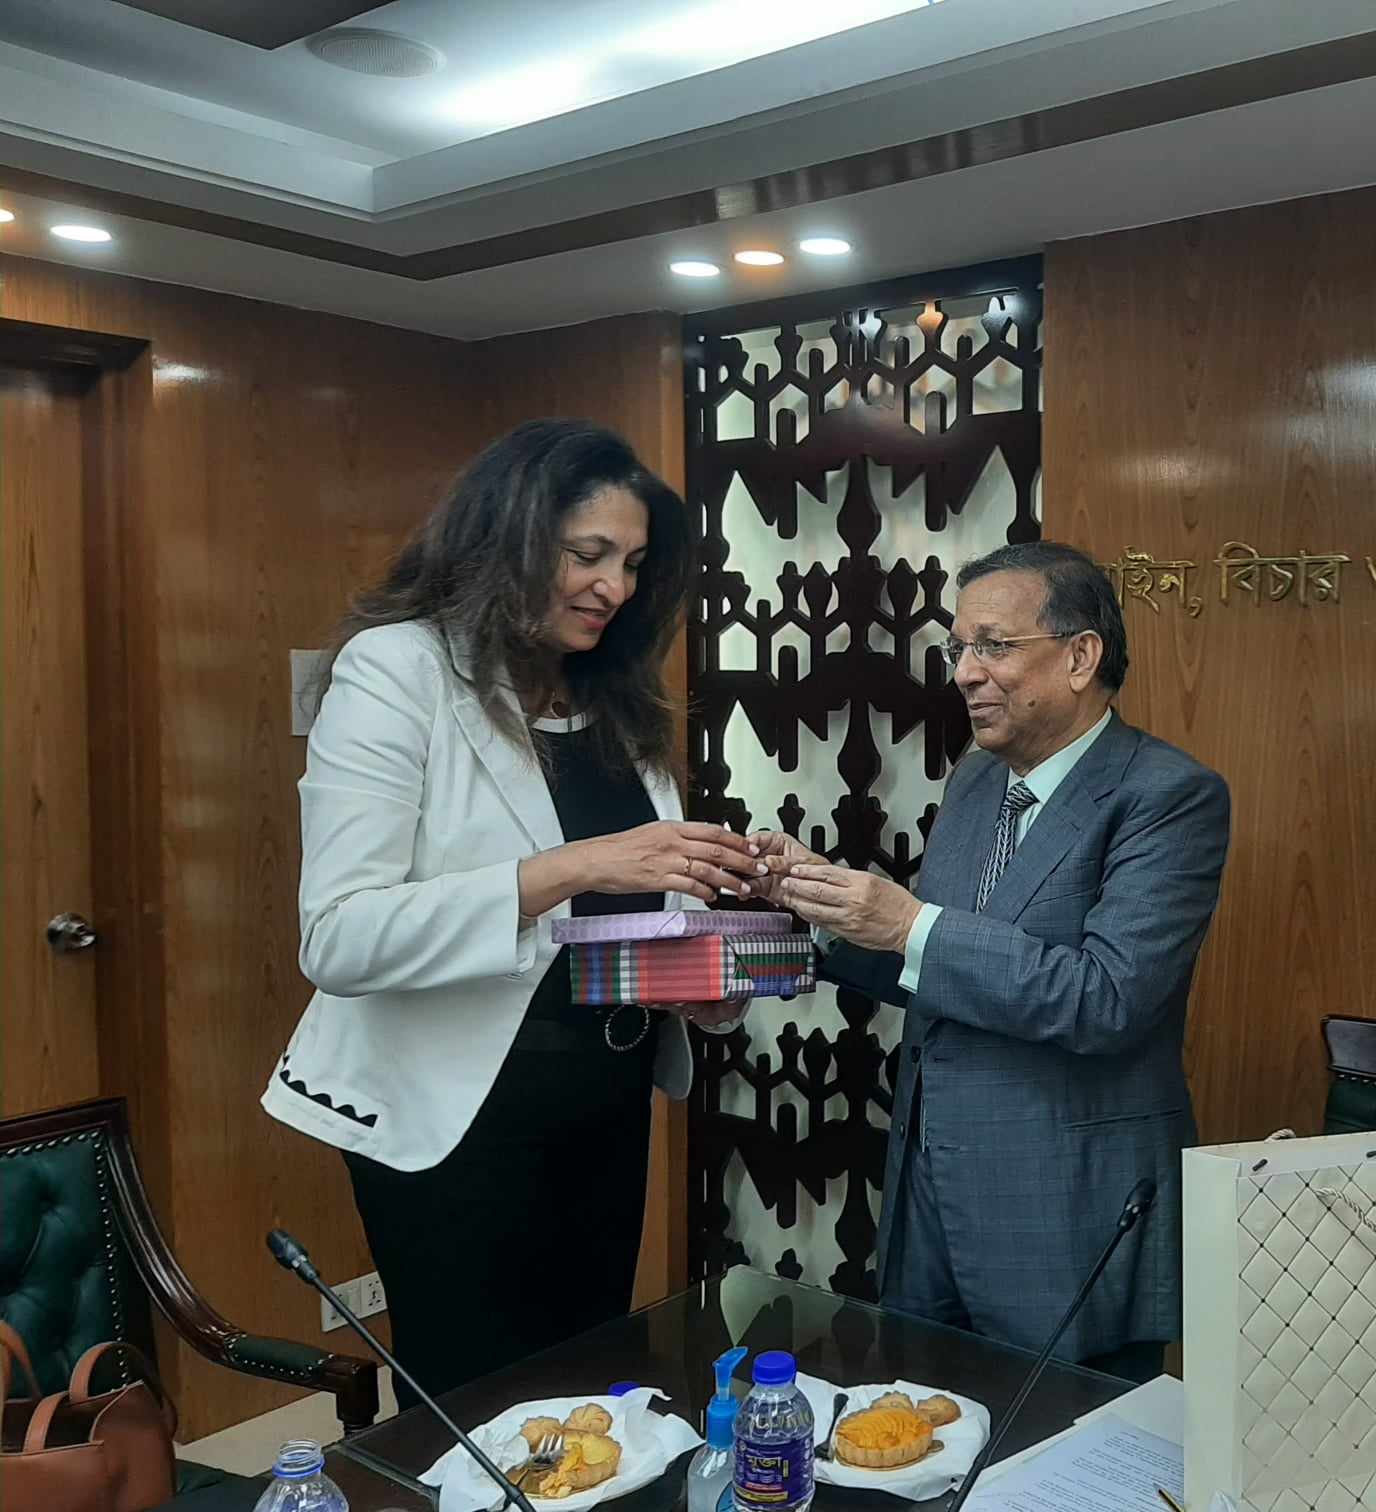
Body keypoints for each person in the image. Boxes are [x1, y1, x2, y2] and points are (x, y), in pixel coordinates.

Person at [262, 419, 764, 1404]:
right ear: (509, 538)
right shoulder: (397, 669)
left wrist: (706, 983)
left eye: (632, 565)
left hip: (607, 1101)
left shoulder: (614, 698)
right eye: (588, 555)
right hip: (458, 1119)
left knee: (591, 1390)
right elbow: (339, 936)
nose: (613, 588)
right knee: (481, 1407)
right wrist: (574, 865)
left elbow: (616, 921)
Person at [759, 541, 1229, 1383]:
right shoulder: (976, 782)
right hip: (930, 1205)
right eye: (959, 648)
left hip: (1069, 1216)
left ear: (1081, 656)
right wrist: (820, 906)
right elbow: (941, 970)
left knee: (1066, 1451)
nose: (966, 673)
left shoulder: (1166, 796)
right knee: (926, 1436)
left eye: (994, 646)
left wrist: (906, 922)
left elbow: (1106, 999)